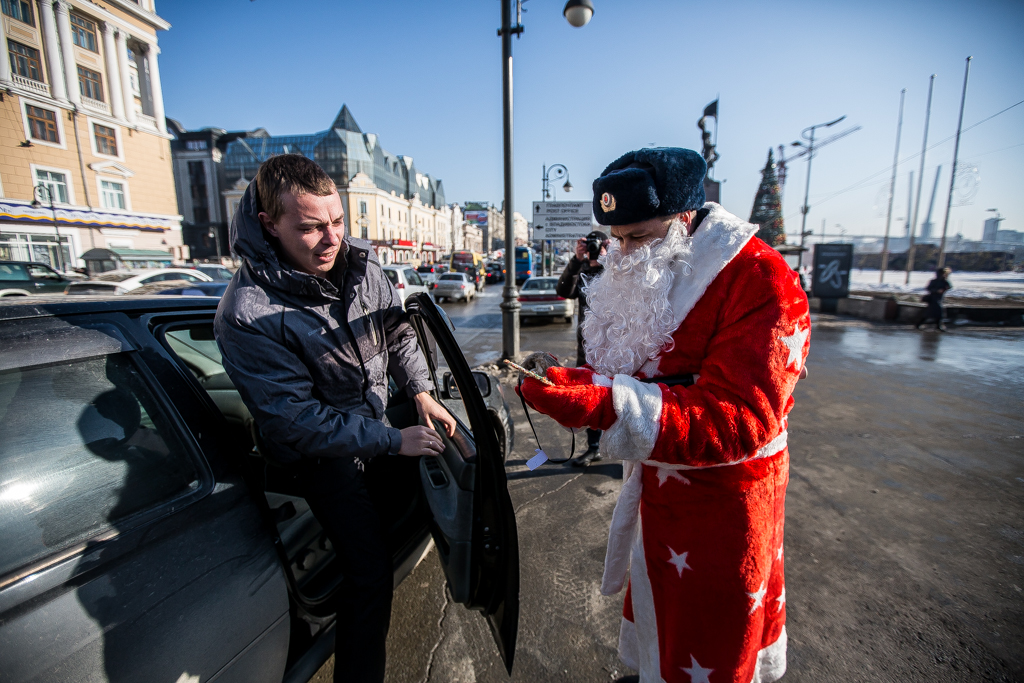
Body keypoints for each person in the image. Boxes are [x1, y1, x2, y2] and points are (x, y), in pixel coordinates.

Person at [520, 148, 810, 683]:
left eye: (637, 238)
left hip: (726, 506)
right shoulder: (654, 259)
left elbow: (741, 417)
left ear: (684, 220)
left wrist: (605, 404)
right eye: (616, 239)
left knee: (710, 642)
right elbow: (648, 374)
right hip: (659, 493)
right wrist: (578, 383)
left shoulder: (759, 279)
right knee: (662, 625)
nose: (623, 253)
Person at [214, 154, 456, 683]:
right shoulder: (248, 313)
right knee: (368, 577)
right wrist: (393, 441)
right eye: (310, 227)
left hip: (373, 430)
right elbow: (296, 421)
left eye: (338, 222)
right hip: (320, 459)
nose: (331, 240)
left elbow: (397, 334)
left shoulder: (363, 266)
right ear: (268, 223)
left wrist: (420, 390)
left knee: (411, 519)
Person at [555, 229, 610, 466]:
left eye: (597, 246)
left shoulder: (614, 270)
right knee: (592, 398)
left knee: (623, 397)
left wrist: (609, 259)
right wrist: (576, 261)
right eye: (591, 246)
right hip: (587, 349)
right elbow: (563, 291)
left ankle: (632, 451)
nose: (594, 251)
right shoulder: (583, 272)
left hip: (619, 347)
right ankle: (594, 447)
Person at [917, 267, 952, 331]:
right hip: (932, 298)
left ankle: (938, 325)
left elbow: (949, 287)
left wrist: (944, 286)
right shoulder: (933, 281)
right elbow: (928, 288)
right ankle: (920, 324)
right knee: (931, 312)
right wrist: (936, 291)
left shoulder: (944, 281)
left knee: (937, 313)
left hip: (939, 299)